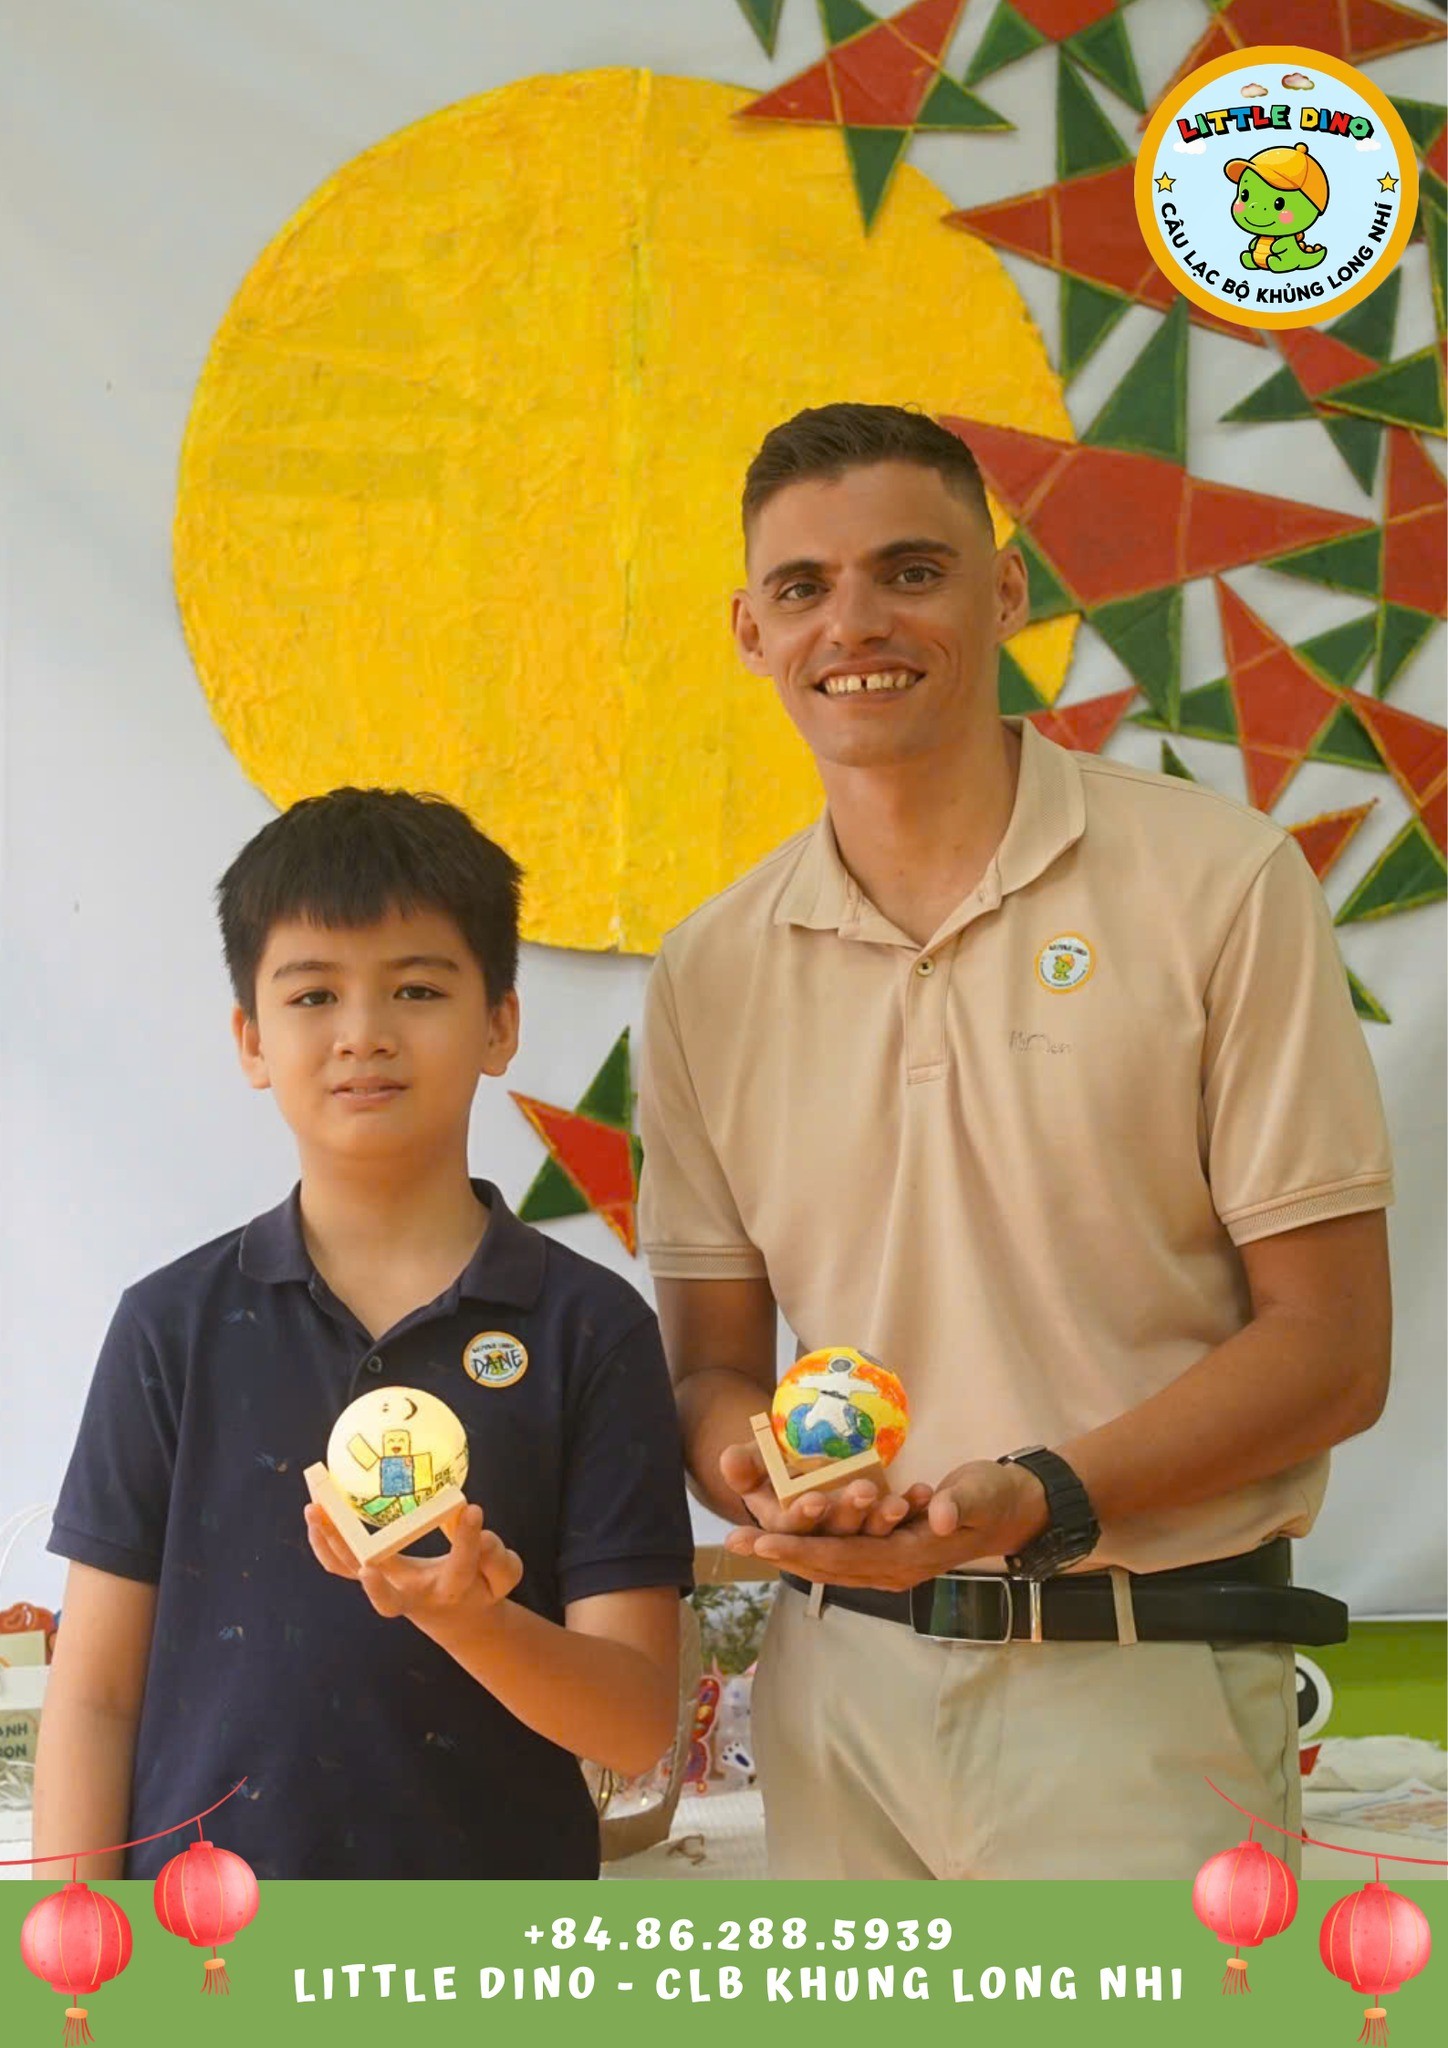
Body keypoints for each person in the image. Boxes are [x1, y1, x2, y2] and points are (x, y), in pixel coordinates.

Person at [637, 403, 1393, 1881]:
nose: (855, 623)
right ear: (749, 629)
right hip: (834, 1695)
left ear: (1005, 590)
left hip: (1140, 1679)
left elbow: (1331, 1349)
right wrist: (767, 1480)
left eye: (910, 571)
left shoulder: (1219, 883)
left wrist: (1039, 1491)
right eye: (803, 587)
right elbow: (709, 1370)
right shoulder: (708, 969)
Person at [35, 789, 692, 1880]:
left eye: (417, 988)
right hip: (210, 1944)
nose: (363, 1033)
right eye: (313, 994)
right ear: (252, 1039)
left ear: (499, 1024)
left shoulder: (590, 1328)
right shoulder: (170, 1326)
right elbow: (96, 1697)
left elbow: (630, 1727)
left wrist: (473, 1620)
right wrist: (73, 1956)